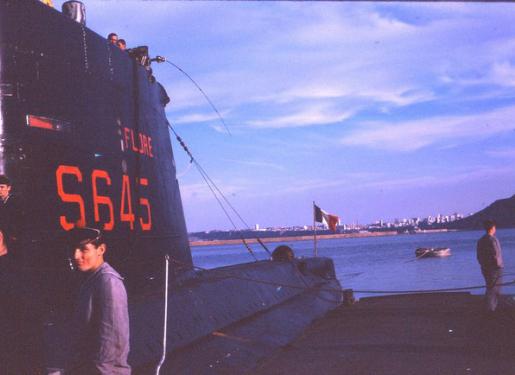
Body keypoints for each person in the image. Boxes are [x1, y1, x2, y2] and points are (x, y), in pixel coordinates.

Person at [68, 227, 131, 374]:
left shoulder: (108, 282)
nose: (76, 255)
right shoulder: (91, 279)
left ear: (101, 249)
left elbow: (113, 343)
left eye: (83, 249)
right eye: (74, 249)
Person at [477, 219, 504, 314]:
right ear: (492, 228)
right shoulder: (493, 239)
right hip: (495, 269)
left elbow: (479, 256)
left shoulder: (481, 240)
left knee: (489, 287)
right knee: (494, 289)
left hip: (485, 268)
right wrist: (499, 266)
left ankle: (488, 307)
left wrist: (483, 265)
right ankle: (491, 309)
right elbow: (496, 255)